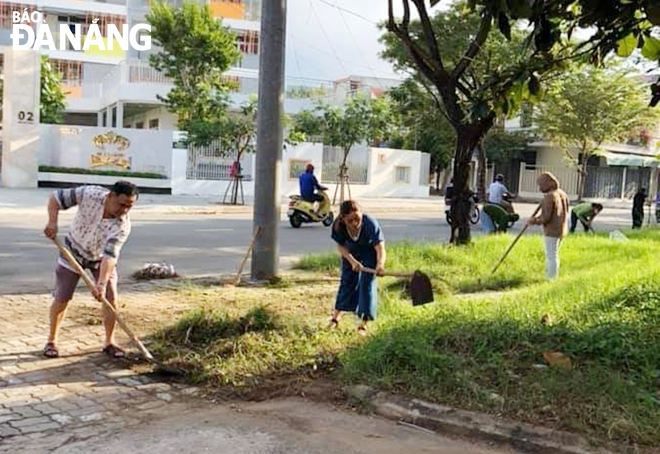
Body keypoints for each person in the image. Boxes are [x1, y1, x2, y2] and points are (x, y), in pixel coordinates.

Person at [42, 181, 138, 359]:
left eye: (129, 207)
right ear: (111, 196)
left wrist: (101, 284)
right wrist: (52, 222)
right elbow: (55, 199)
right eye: (122, 204)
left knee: (110, 296)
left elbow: (110, 257)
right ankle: (51, 341)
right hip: (72, 251)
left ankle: (109, 342)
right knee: (62, 296)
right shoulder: (89, 194)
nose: (124, 210)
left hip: (99, 259)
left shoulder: (122, 226)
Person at [329, 200, 386, 335]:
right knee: (347, 282)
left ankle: (363, 324)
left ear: (361, 213)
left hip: (368, 251)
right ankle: (335, 318)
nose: (355, 223)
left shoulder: (370, 223)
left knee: (367, 283)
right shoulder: (338, 226)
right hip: (350, 251)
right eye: (350, 220)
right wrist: (352, 261)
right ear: (343, 219)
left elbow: (380, 247)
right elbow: (341, 247)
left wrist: (380, 265)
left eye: (357, 218)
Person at [527, 172, 569, 279]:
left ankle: (550, 278)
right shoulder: (562, 194)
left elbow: (545, 217)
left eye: (541, 184)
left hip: (552, 230)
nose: (539, 188)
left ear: (547, 183)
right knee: (554, 254)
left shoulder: (550, 197)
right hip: (562, 229)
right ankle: (552, 276)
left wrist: (533, 220)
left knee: (551, 256)